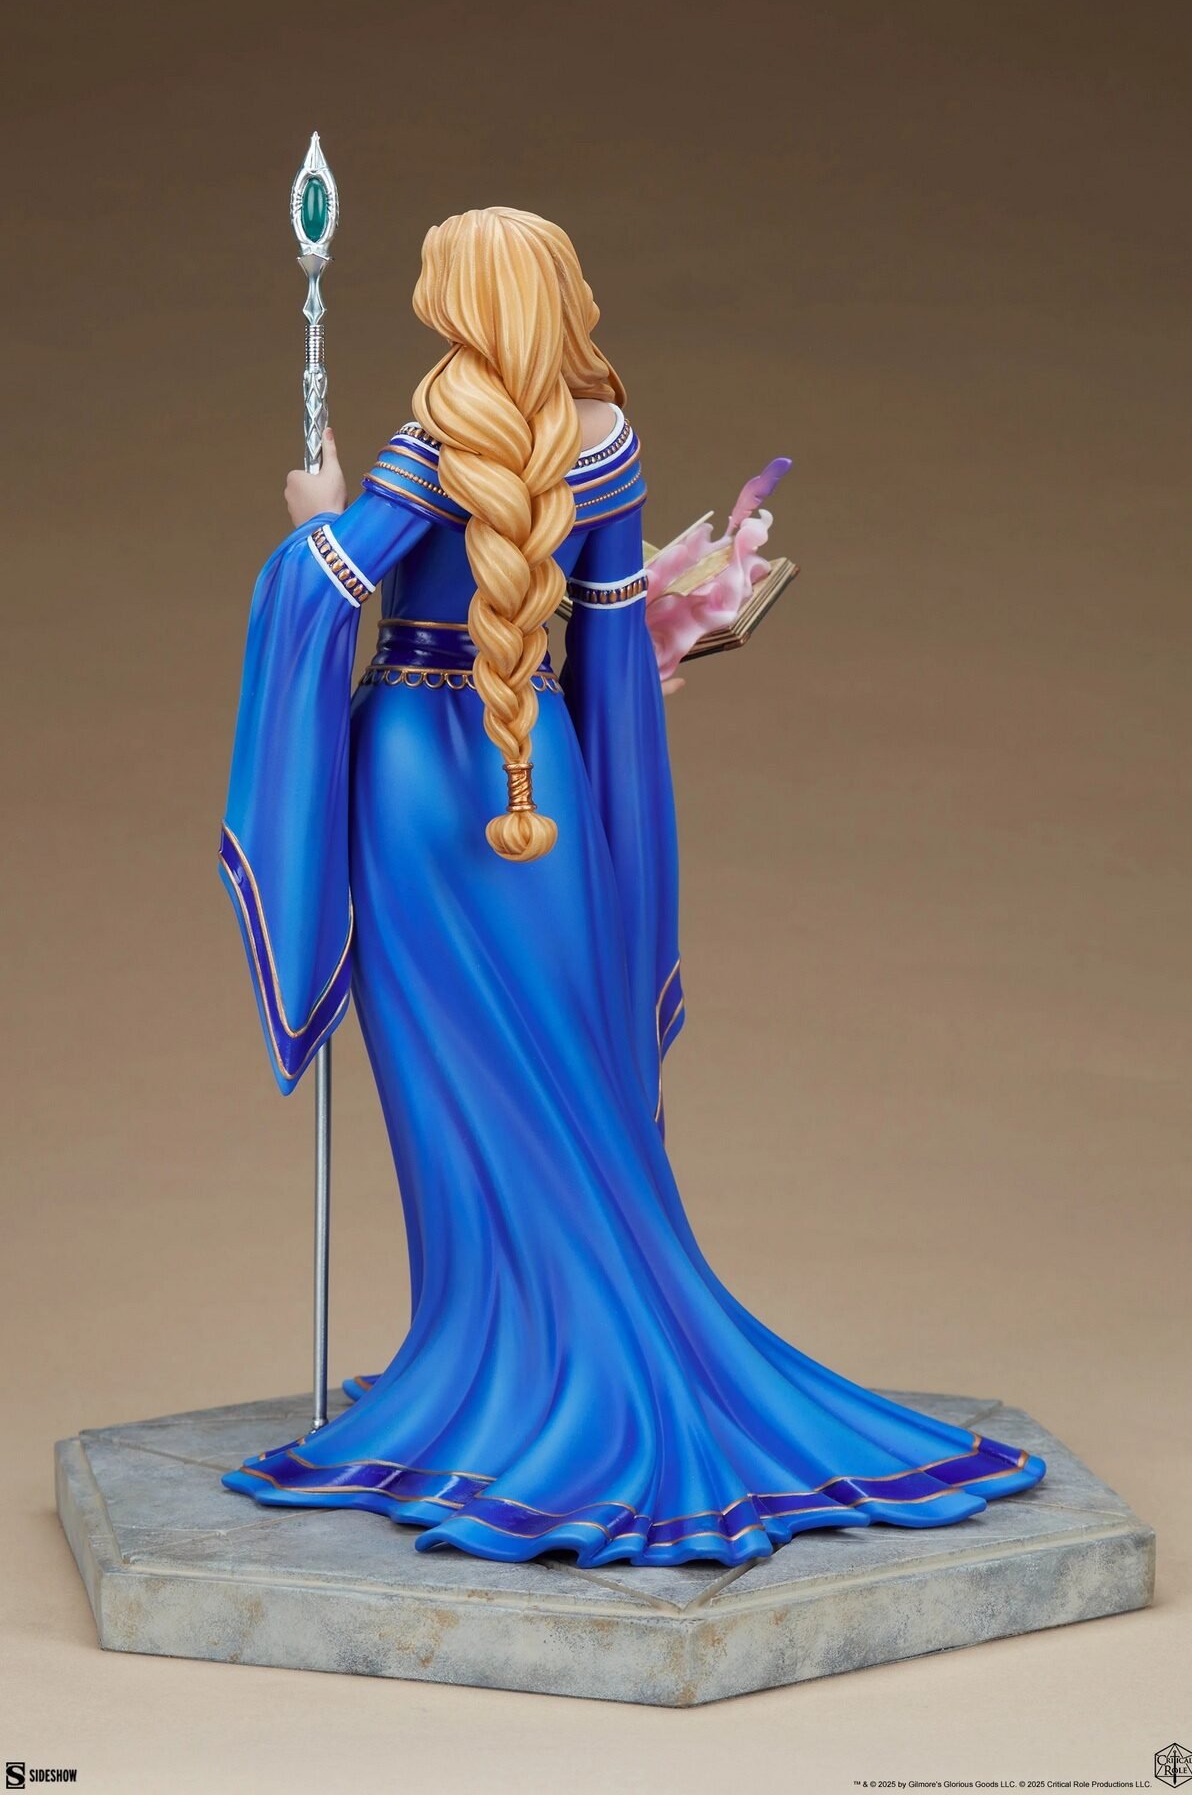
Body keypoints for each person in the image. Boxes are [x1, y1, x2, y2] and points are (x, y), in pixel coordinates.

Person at [219, 207, 1044, 1566]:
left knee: (455, 1094)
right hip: (542, 776)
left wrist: (313, 520)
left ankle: (497, 1370)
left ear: (465, 300)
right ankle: (519, 1351)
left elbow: (332, 589)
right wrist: (612, 815)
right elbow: (607, 662)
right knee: (567, 1073)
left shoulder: (438, 430)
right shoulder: (607, 440)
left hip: (421, 776)